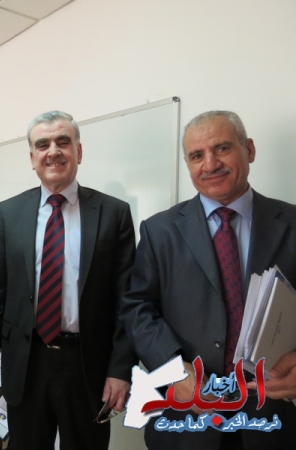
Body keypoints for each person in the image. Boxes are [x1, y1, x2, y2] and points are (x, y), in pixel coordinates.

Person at [121, 110, 296, 449]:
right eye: (197, 155)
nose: (210, 164)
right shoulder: (159, 231)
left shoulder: (292, 222)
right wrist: (172, 369)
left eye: (222, 148)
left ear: (249, 149)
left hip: (274, 417)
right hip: (187, 419)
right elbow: (138, 308)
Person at [0, 110, 137, 449]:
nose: (53, 151)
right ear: (32, 158)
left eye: (63, 142)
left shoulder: (114, 213)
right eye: (43, 144)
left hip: (88, 365)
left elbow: (127, 302)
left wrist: (121, 369)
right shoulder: (9, 212)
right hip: (27, 362)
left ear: (79, 151)